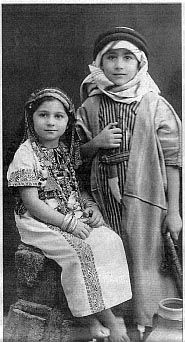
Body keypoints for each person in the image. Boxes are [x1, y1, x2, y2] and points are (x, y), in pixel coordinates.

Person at [76, 27, 182, 329]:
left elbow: (174, 159)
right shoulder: (91, 106)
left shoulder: (153, 103)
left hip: (147, 199)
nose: (119, 65)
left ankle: (150, 324)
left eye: (127, 58)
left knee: (145, 259)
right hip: (100, 200)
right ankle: (115, 325)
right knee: (111, 257)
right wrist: (95, 143)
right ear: (100, 62)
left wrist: (173, 210)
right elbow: (71, 156)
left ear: (140, 63)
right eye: (111, 57)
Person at [7, 87, 132, 342]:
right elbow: (31, 202)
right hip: (39, 220)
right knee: (80, 254)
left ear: (68, 121)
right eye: (43, 115)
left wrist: (92, 208)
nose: (51, 122)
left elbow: (75, 188)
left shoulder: (64, 151)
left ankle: (107, 312)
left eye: (58, 116)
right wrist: (69, 224)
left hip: (70, 210)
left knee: (111, 241)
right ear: (32, 118)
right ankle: (100, 319)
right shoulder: (25, 154)